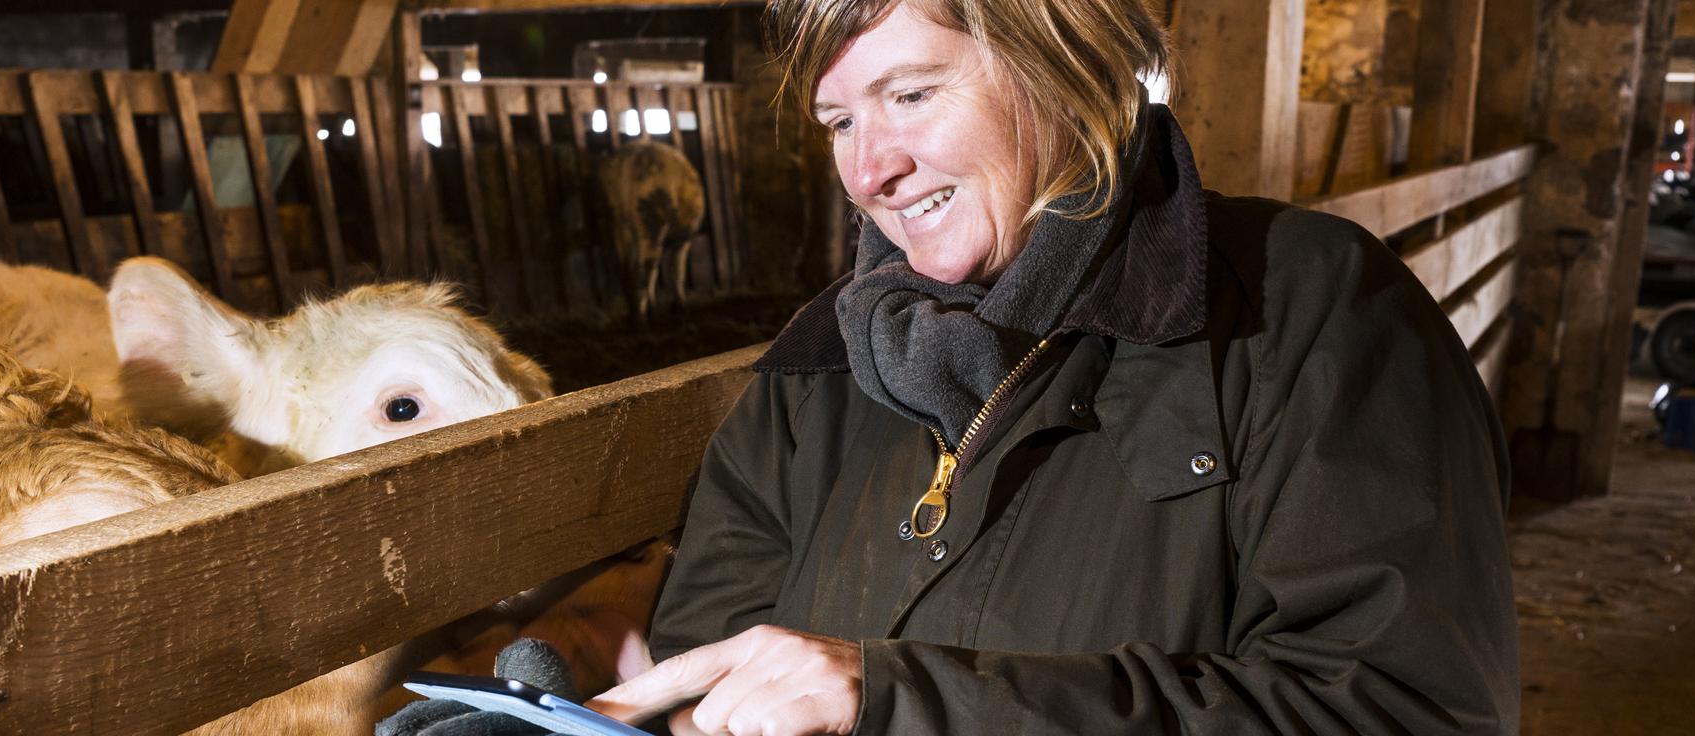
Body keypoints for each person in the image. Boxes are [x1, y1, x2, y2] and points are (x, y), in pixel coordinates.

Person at [575, 0, 1521, 734]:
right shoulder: (814, 372)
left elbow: (1400, 708)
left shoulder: (1312, 315)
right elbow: (712, 668)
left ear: (1060, 67)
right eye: (837, 122)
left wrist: (906, 704)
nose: (869, 172)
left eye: (909, 95)